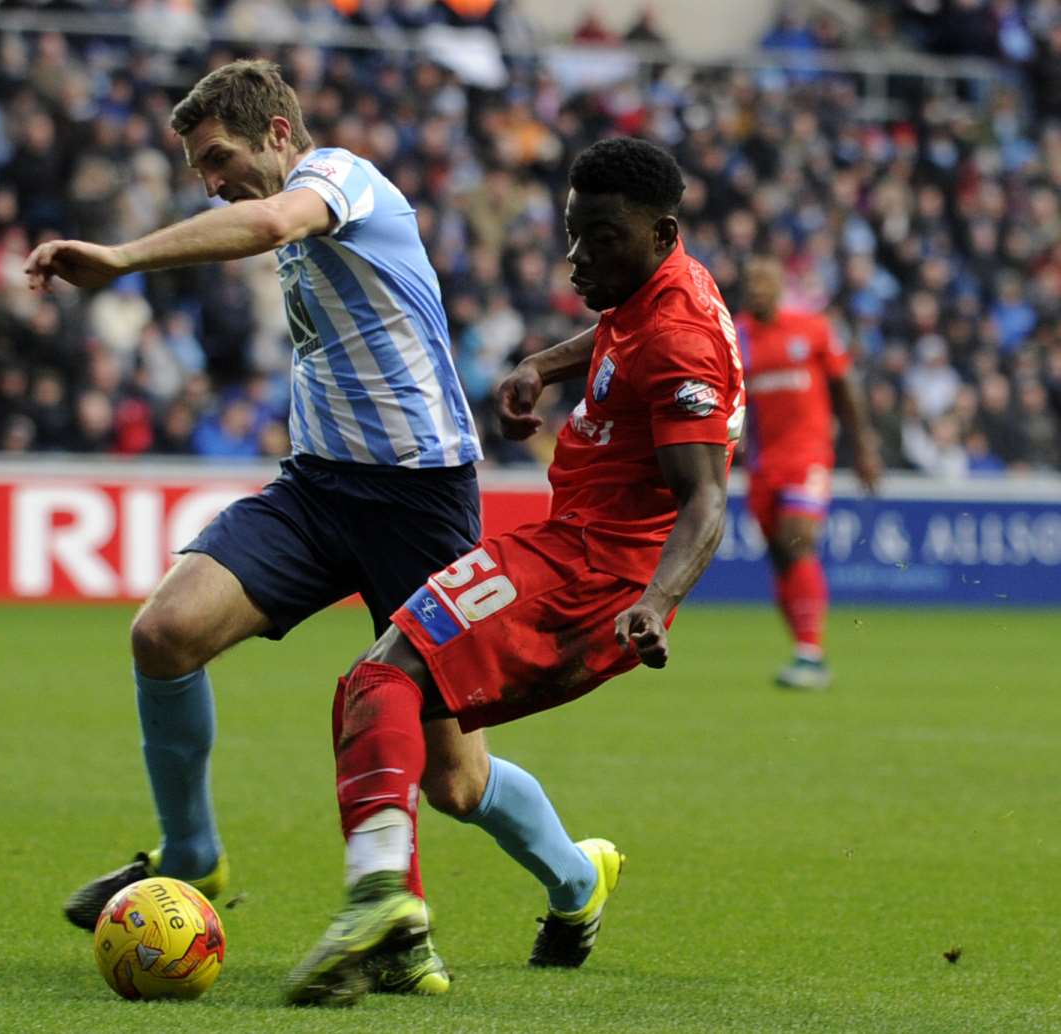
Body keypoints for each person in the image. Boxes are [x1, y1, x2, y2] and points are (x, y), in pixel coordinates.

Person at [25, 60, 598, 996]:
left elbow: (265, 221)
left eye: (217, 158)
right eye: (198, 168)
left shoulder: (341, 177)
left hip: (420, 501)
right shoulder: (292, 220)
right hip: (318, 490)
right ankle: (191, 856)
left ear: (280, 135)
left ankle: (577, 877)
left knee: (452, 782)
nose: (209, 181)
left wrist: (121, 259)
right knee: (162, 635)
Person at [283, 138, 745, 1006]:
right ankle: (574, 884)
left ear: (659, 233)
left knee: (378, 681)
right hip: (577, 551)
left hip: (592, 576)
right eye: (572, 234)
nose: (576, 258)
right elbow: (618, 336)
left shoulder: (681, 339)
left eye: (598, 238)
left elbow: (706, 500)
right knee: (441, 766)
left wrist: (654, 603)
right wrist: (543, 363)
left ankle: (383, 906)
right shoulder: (656, 283)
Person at [736, 257, 881, 690]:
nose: (758, 290)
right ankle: (803, 647)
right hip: (763, 464)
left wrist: (864, 449)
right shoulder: (737, 334)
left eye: (766, 282)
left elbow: (845, 390)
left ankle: (811, 654)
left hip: (809, 455)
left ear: (780, 288)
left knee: (797, 538)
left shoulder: (812, 328)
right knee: (780, 555)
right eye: (752, 283)